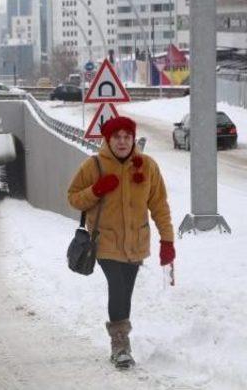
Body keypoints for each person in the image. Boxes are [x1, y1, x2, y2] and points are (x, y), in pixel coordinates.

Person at [67, 116, 176, 369]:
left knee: (125, 291)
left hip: (136, 242)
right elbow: (72, 198)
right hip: (105, 241)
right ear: (108, 139)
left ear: (132, 139)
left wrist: (167, 240)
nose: (123, 141)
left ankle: (120, 335)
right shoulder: (93, 166)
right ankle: (120, 345)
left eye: (127, 136)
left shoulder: (147, 166)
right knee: (117, 286)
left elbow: (159, 205)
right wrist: (95, 190)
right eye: (117, 137)